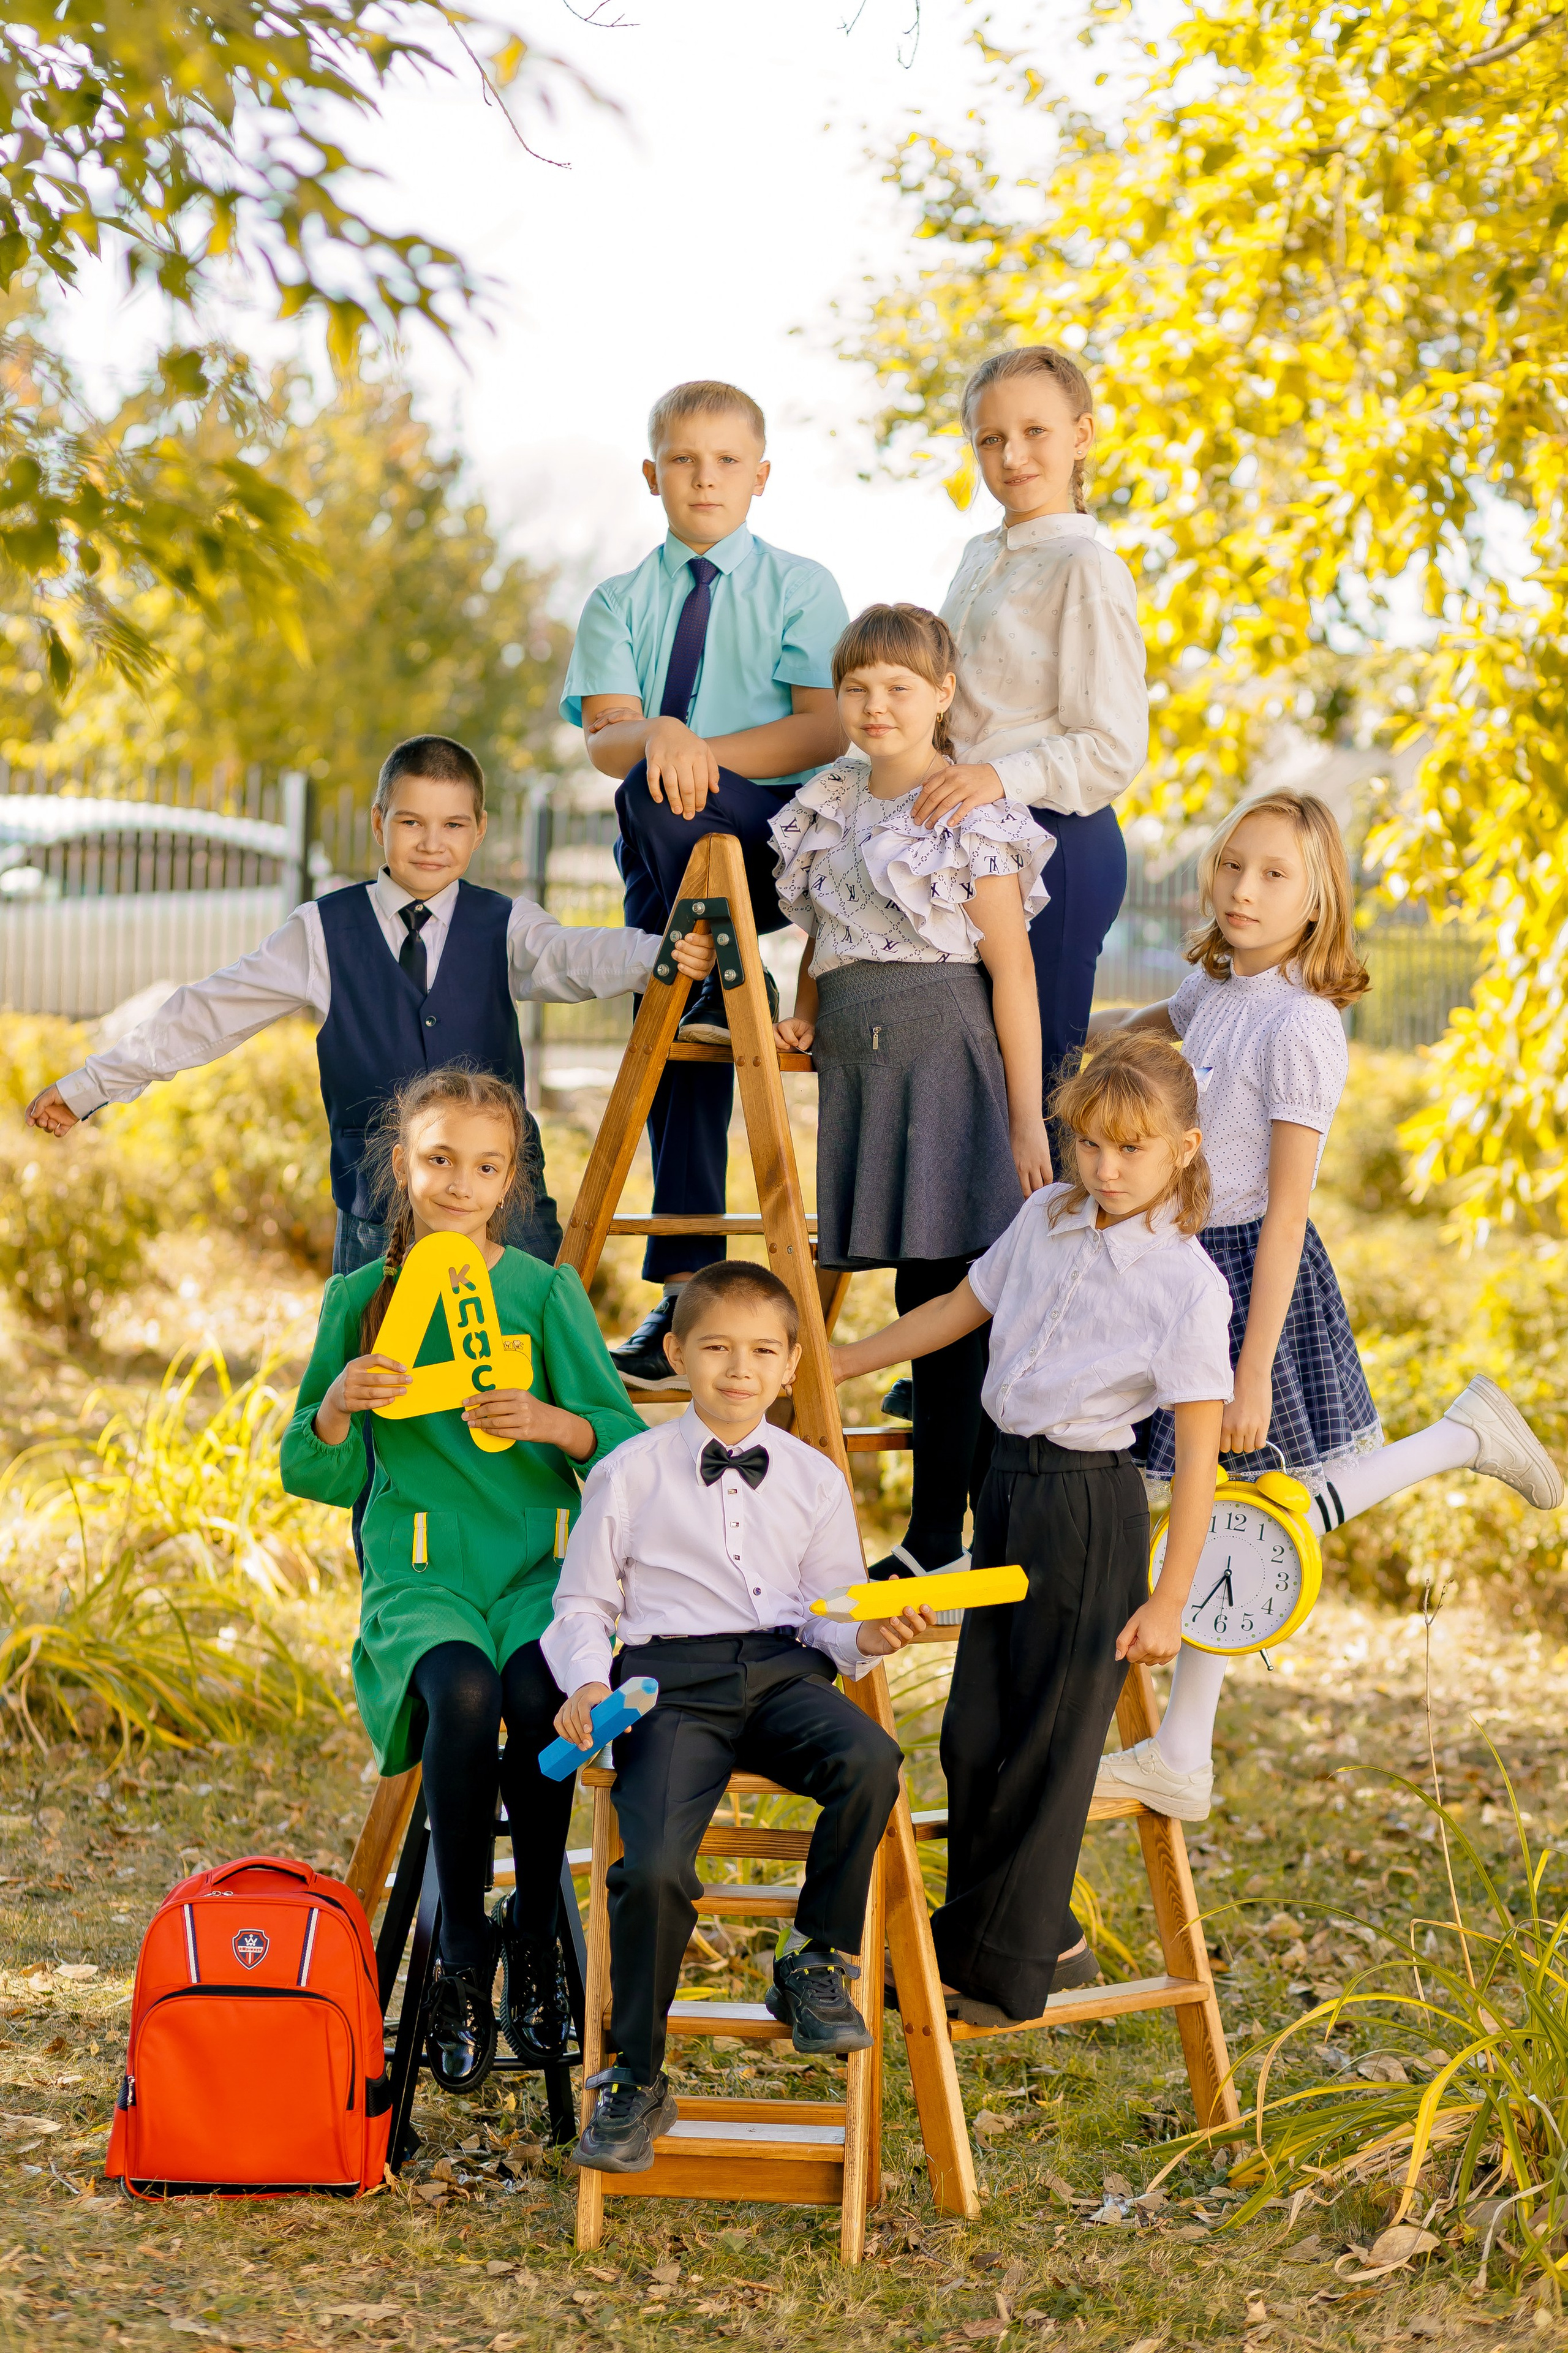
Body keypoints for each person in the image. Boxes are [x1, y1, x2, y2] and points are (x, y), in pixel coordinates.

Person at [1091, 790, 1563, 1824]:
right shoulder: (1218, 986)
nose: (1244, 890)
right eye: (1232, 867)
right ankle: (1461, 1438)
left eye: (1275, 877)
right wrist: (1074, 1051)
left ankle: (1181, 1750)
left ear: (1319, 903)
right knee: (1245, 1506)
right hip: (1183, 1271)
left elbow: (1288, 1211)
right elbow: (1151, 1024)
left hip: (1249, 1279)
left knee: (1240, 1506)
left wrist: (1251, 1366)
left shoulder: (1301, 1025)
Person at [831, 1032, 1232, 2025]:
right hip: (1002, 1488)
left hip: (1087, 1510)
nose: (1104, 1166)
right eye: (1090, 1142)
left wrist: (1170, 1599)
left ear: (1183, 1148)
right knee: (972, 1739)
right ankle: (1018, 1939)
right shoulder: (1049, 1215)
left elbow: (1197, 1459)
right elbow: (958, 1311)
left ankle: (997, 1972)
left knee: (1045, 1748)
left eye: (1131, 1149)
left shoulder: (1186, 1285)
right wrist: (833, 1365)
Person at [281, 1067, 645, 2093]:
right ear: (404, 1165)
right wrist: (342, 1406)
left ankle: (533, 1929)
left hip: (533, 1561)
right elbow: (310, 1467)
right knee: (468, 1689)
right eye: (439, 1160)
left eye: (484, 1166)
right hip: (421, 1572)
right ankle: (455, 1963)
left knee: (535, 1690)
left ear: (510, 1180)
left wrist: (556, 1421)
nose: (458, 1182)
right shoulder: (362, 1300)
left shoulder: (542, 1292)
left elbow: (620, 1443)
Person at [24, 733, 715, 1275]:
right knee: (376, 1388)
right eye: (412, 821)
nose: (431, 843)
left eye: (451, 825)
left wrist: (650, 955)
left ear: (478, 830)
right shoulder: (322, 931)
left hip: (506, 1212)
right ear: (379, 823)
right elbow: (208, 1012)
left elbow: (573, 955)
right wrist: (92, 1085)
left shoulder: (505, 922)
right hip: (377, 1215)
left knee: (521, 1378)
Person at [541, 1260, 930, 2173]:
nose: (738, 1369)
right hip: (667, 1687)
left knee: (871, 1759)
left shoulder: (813, 1477)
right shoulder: (628, 1471)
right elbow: (582, 1602)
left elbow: (834, 1610)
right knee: (657, 1868)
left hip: (786, 1673)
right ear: (675, 1353)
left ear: (792, 1364)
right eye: (715, 1348)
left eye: (761, 1351)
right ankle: (637, 2075)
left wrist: (871, 1641)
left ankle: (813, 1958)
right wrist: (589, 1683)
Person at [562, 380, 850, 1386]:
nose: (706, 477)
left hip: (781, 842)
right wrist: (660, 742)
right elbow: (607, 739)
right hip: (676, 859)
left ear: (760, 476)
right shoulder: (619, 602)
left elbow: (824, 729)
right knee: (678, 994)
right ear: (653, 475)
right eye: (684, 459)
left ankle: (718, 973)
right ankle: (684, 1299)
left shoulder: (802, 588)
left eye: (727, 460)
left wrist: (694, 751)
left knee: (661, 796)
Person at [771, 603, 1054, 1579]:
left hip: (945, 1053)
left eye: (899, 688)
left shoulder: (964, 808)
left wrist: (1025, 1120)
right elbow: (825, 922)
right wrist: (808, 1005)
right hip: (860, 1060)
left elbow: (1012, 971)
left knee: (947, 1293)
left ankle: (944, 1539)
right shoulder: (834, 796)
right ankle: (946, 1533)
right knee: (909, 1282)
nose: (874, 705)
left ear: (942, 697)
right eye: (856, 688)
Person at [905, 344, 1148, 1099]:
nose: (1012, 456)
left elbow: (1112, 746)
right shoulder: (979, 556)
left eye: (1035, 432)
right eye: (990, 438)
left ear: (1081, 436)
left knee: (1037, 1109)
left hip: (1056, 849)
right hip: (973, 850)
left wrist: (993, 777)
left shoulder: (1088, 570)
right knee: (975, 1103)